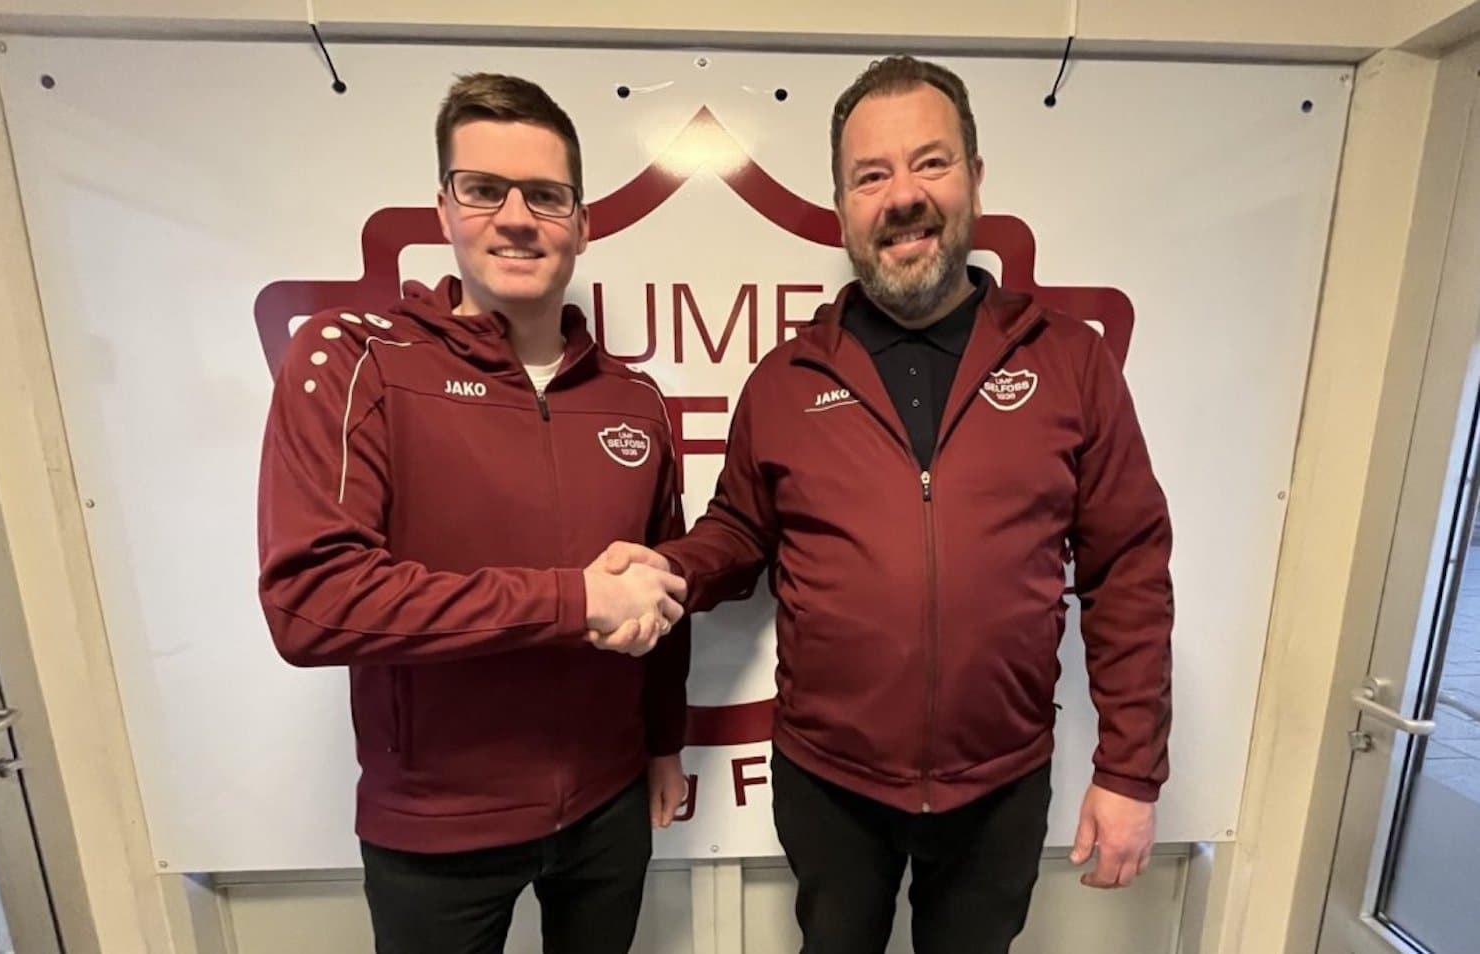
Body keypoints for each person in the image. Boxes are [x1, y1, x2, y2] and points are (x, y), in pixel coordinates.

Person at [591, 55, 1174, 954]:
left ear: (975, 178)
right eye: (871, 176)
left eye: (930, 163)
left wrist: (1130, 772)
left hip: (1000, 783)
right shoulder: (787, 380)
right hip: (831, 783)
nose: (903, 196)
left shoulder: (1068, 361)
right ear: (842, 208)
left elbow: (1127, 567)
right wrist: (668, 570)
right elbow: (738, 532)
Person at [256, 72, 691, 954]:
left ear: (583, 223)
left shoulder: (635, 400)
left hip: (608, 807)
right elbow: (311, 604)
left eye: (546, 195)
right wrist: (573, 600)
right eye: (485, 189)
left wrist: (661, 745)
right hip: (436, 827)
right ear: (444, 209)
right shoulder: (356, 360)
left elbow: (659, 589)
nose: (517, 218)